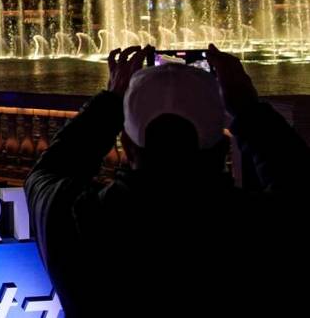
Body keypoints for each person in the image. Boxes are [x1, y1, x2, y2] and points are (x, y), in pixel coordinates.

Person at [25, 44, 310, 317]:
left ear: (125, 142)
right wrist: (248, 108)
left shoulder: (80, 221)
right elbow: (298, 182)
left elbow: (46, 173)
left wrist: (110, 102)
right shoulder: (268, 226)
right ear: (222, 146)